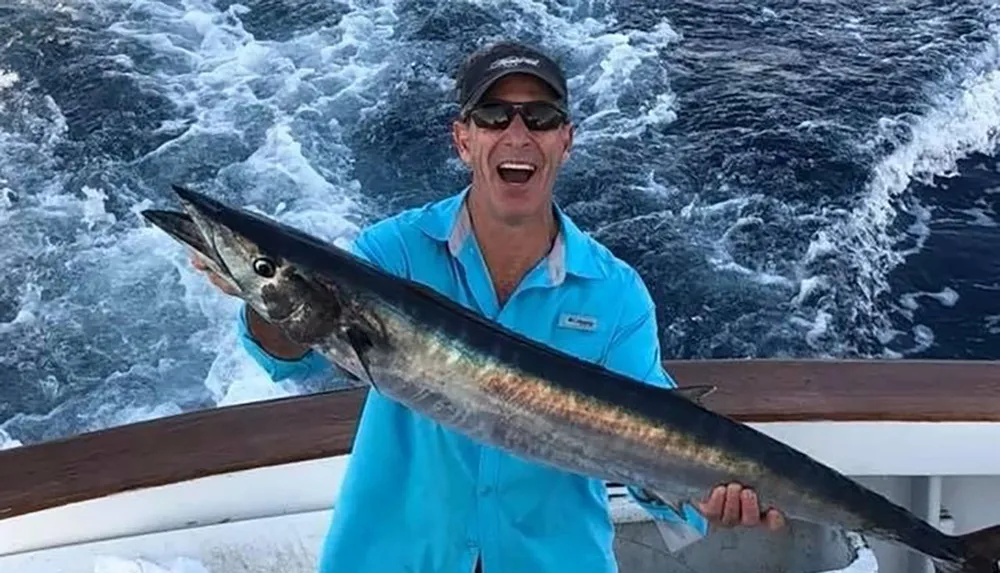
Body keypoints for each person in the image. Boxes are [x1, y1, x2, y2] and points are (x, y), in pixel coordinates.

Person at [192, 40, 785, 572]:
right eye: (494, 115)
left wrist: (712, 493)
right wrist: (260, 291)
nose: (517, 134)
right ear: (464, 139)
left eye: (542, 117)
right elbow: (287, 360)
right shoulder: (392, 252)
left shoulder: (615, 291)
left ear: (566, 140)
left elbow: (654, 445)